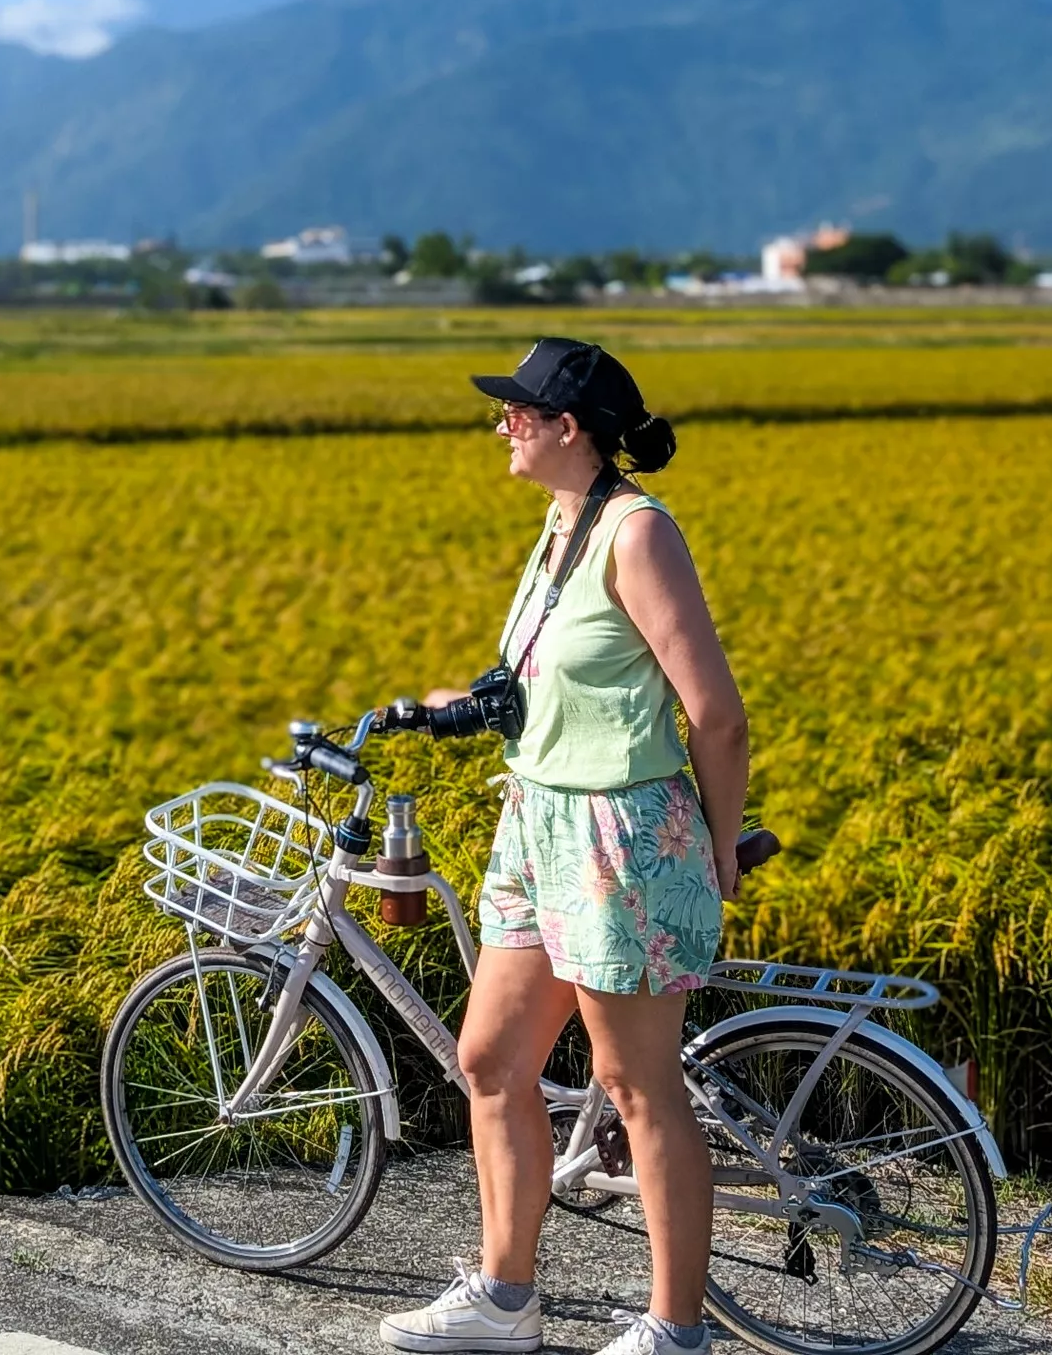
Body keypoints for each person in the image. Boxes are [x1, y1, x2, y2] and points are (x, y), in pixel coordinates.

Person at [380, 337, 748, 1355]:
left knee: (637, 1088)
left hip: (620, 834)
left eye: (516, 410)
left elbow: (713, 715)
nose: (501, 423)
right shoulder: (558, 525)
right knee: (491, 1057)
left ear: (565, 426)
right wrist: (451, 705)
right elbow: (558, 681)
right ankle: (505, 1300)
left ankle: (675, 1330)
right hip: (535, 820)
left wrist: (714, 850)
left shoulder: (636, 533)